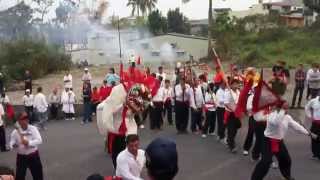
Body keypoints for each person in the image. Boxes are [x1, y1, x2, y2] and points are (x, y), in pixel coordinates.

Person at [251, 102, 312, 180]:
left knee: (286, 159)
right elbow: (276, 122)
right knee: (266, 162)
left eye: (287, 108)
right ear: (279, 108)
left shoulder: (287, 117)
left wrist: (308, 133)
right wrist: (283, 110)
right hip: (268, 141)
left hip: (279, 142)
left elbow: (296, 126)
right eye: (285, 108)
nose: (287, 110)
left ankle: (286, 176)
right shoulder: (271, 115)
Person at [10, 112, 43, 180]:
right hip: (21, 157)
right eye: (24, 118)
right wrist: (13, 145)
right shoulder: (15, 132)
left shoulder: (33, 128)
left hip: (33, 156)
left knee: (38, 176)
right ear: (19, 121)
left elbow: (39, 140)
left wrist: (29, 143)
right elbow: (11, 142)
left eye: (27, 117)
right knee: (20, 176)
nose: (27, 119)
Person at [224, 79, 241, 153]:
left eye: (237, 84)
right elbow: (226, 103)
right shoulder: (228, 92)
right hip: (230, 113)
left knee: (237, 126)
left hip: (237, 113)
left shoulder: (238, 92)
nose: (236, 85)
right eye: (234, 84)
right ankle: (232, 146)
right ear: (231, 85)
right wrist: (233, 108)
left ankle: (229, 139)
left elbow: (240, 102)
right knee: (231, 130)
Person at [305, 93, 320, 160]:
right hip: (315, 123)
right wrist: (310, 116)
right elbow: (307, 108)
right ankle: (315, 153)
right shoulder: (313, 101)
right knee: (314, 137)